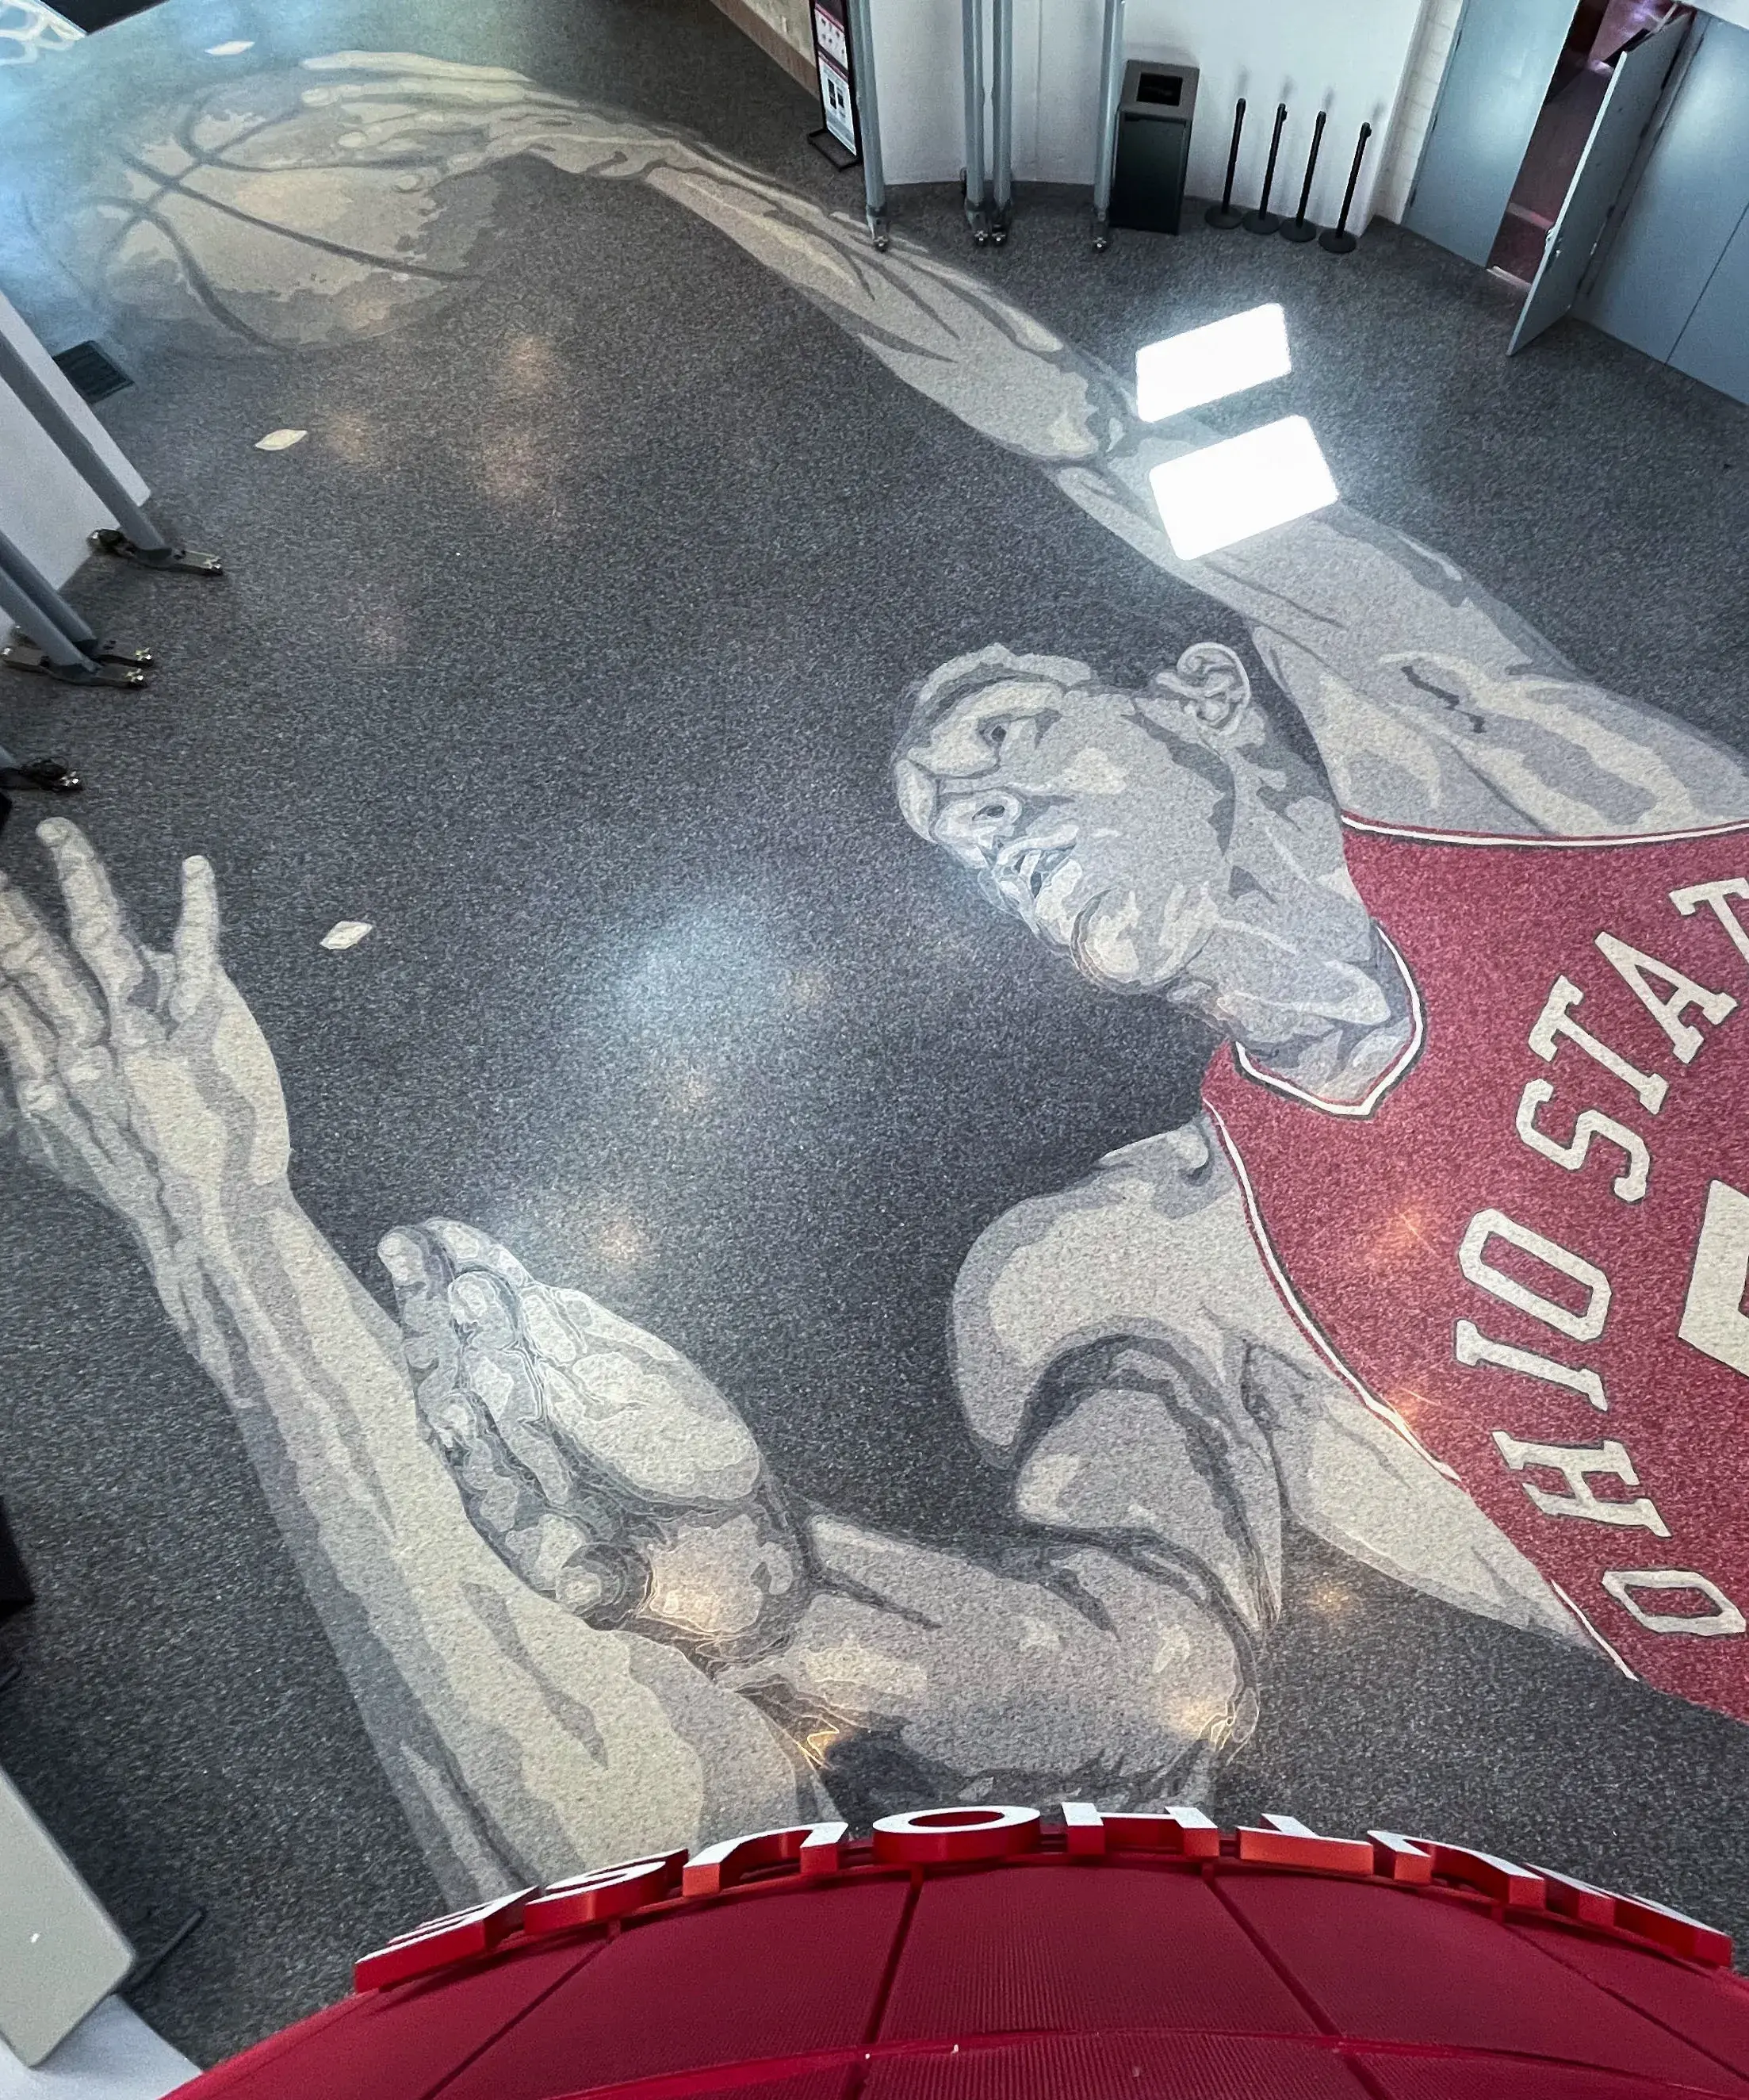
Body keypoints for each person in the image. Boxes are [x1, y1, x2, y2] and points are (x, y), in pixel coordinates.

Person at [5, 52, 1749, 1890]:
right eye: (954, 828)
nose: (984, 825)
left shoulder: (1546, 785)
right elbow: (1138, 1675)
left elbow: (1088, 428)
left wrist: (678, 162)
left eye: (1006, 740)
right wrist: (770, 1596)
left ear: (1203, 696)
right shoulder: (1142, 1258)